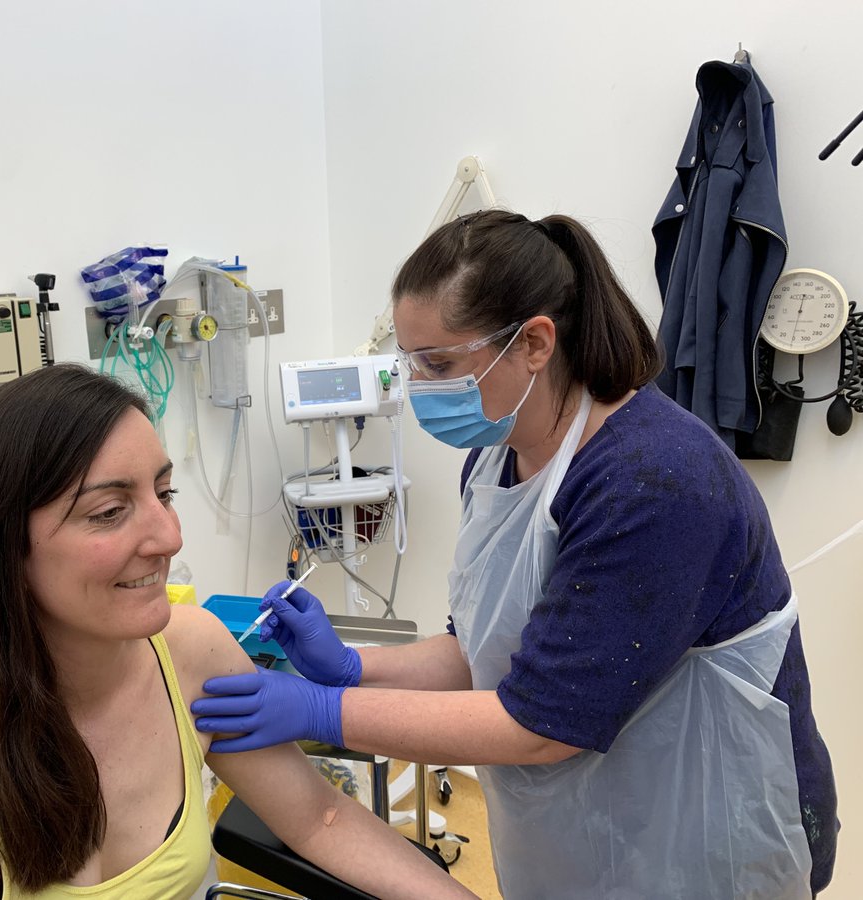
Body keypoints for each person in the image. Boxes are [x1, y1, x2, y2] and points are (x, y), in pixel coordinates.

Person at [191, 210, 839, 899]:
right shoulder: (496, 458)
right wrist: (355, 668)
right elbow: (486, 647)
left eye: (437, 364)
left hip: (707, 828)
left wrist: (325, 710)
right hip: (588, 819)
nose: (418, 388)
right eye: (409, 363)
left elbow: (542, 725)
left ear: (533, 342)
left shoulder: (653, 480)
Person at [0, 363, 475, 900]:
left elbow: (322, 820)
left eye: (164, 493)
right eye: (110, 512)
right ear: (4, 547)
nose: (170, 538)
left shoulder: (192, 650)